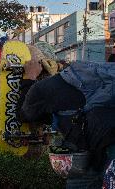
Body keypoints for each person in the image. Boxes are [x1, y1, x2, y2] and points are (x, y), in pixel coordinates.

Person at [17, 45, 115, 189]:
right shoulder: (92, 73)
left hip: (90, 157)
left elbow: (25, 115)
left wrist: (28, 78)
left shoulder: (43, 88)